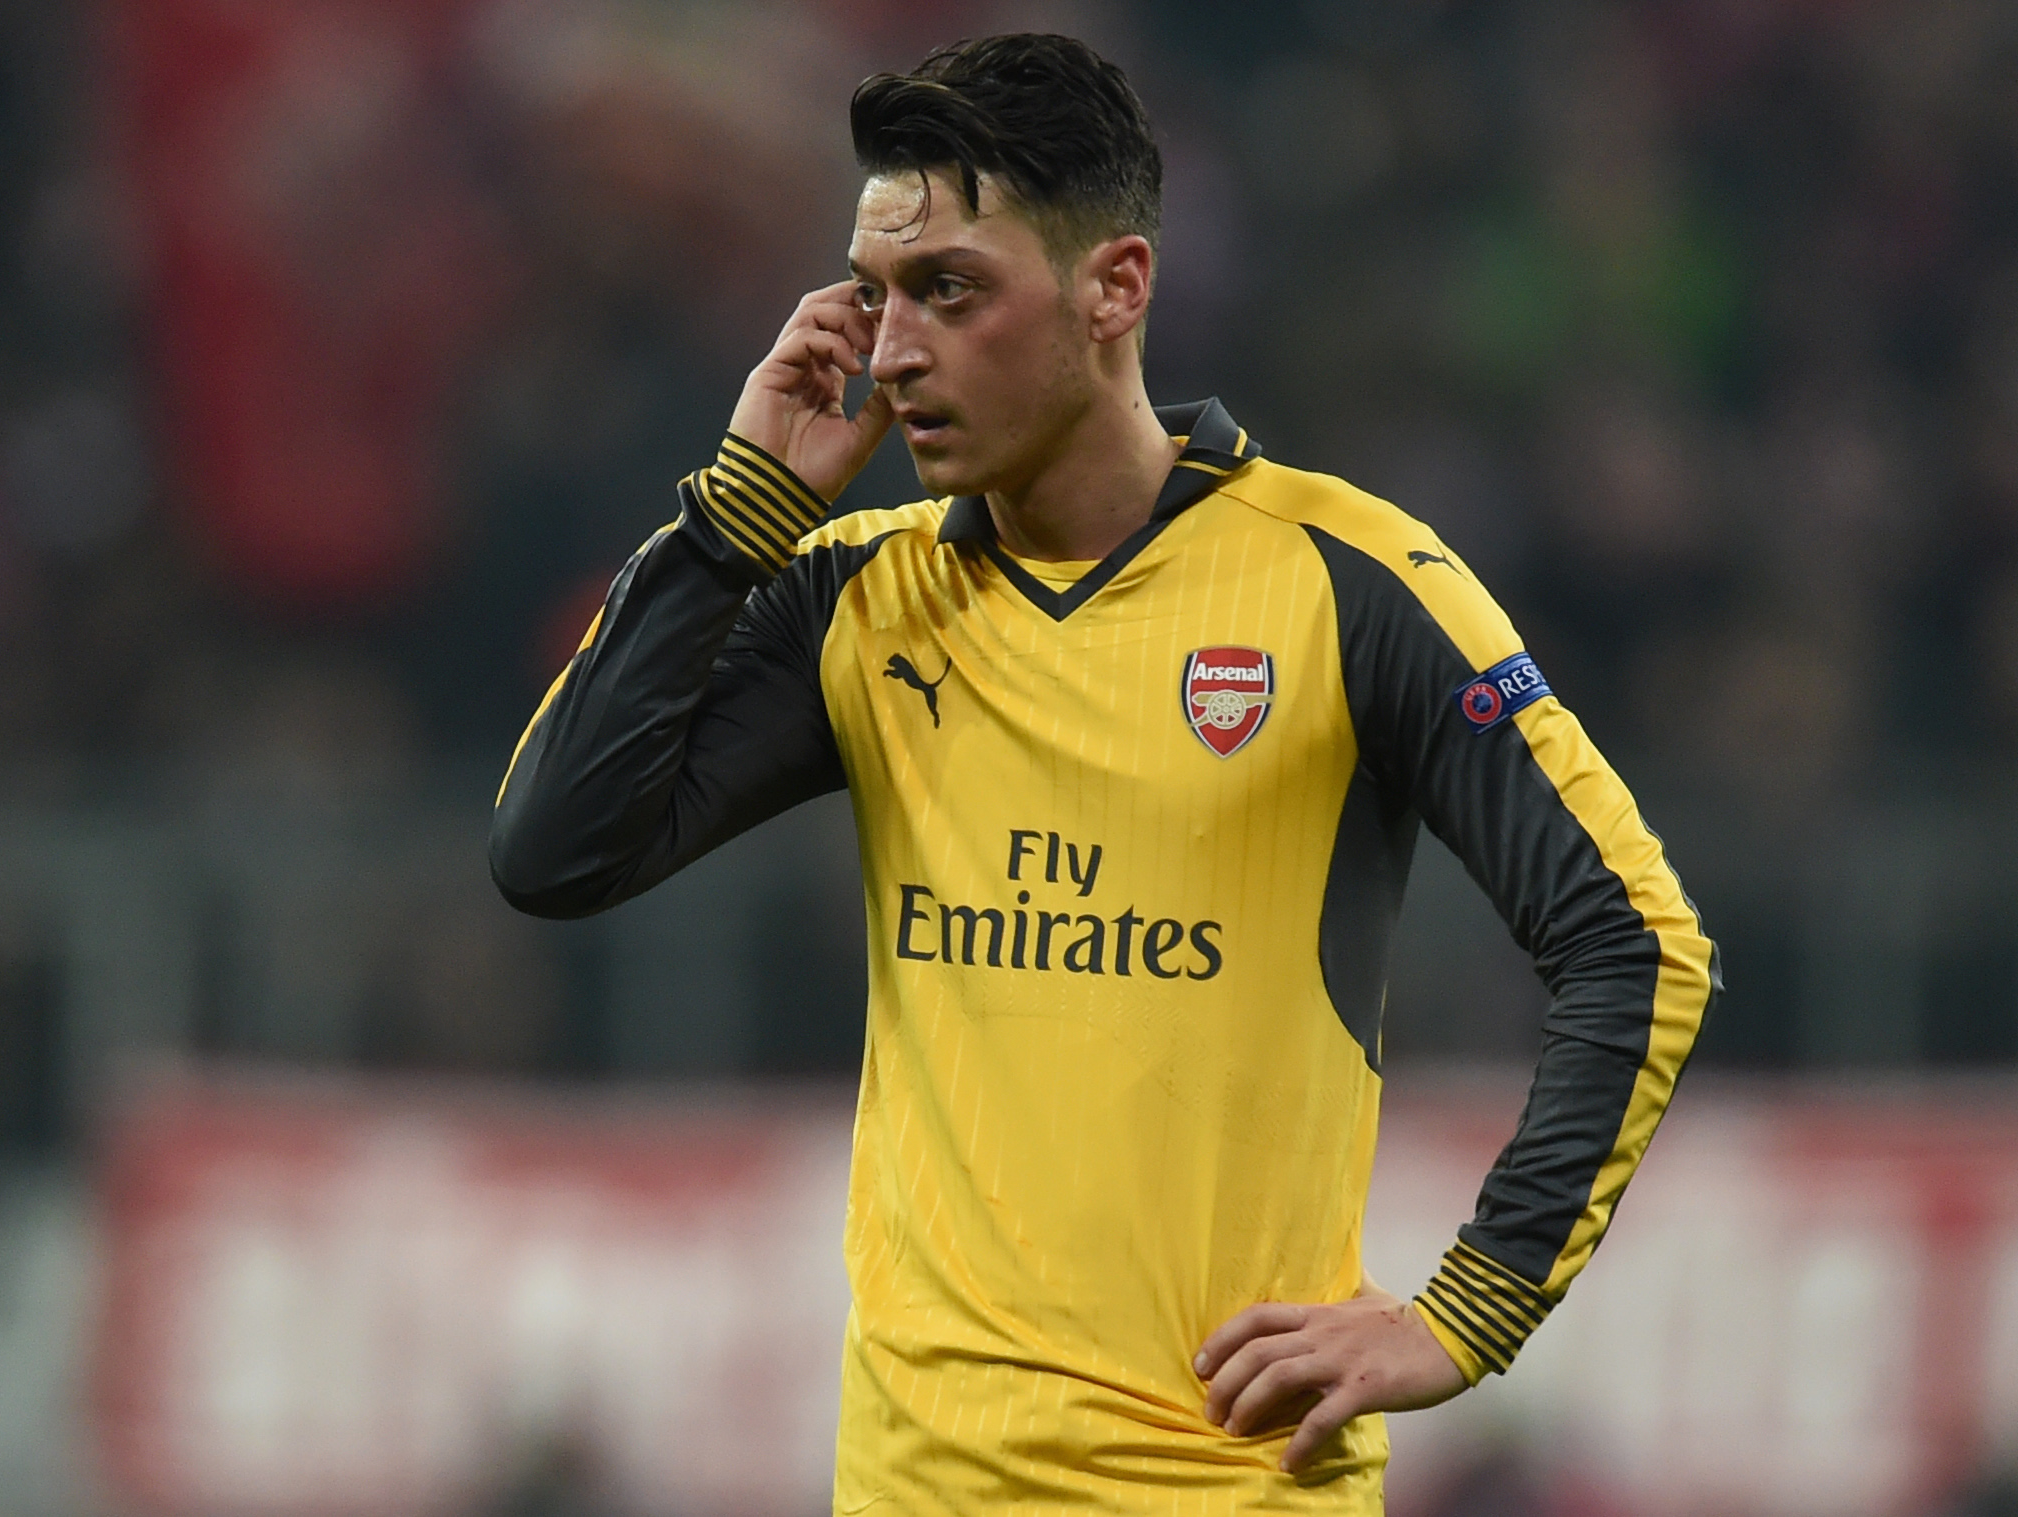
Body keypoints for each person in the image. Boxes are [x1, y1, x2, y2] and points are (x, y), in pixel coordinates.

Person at [490, 32, 1717, 1514]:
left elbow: (1633, 941)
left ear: (1115, 287)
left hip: (1221, 1487)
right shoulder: (855, 597)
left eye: (950, 291)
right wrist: (739, 511)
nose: (891, 353)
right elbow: (550, 853)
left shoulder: (1346, 582)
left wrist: (1467, 1307)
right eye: (875, 298)